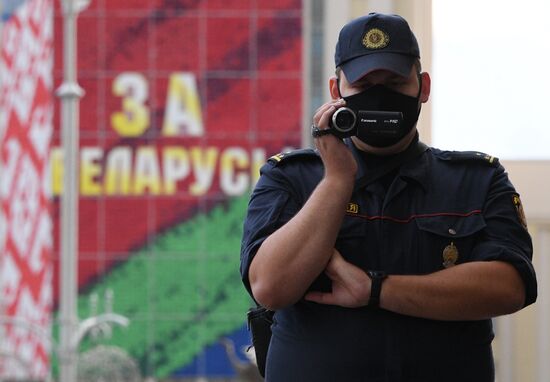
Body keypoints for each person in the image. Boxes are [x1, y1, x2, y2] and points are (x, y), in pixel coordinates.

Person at [240, 12, 537, 382]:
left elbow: (509, 288)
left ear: (423, 87)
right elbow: (270, 287)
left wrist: (376, 289)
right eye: (364, 85)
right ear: (337, 92)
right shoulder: (291, 177)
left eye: (395, 82)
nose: (380, 96)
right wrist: (336, 180)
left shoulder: (477, 181)